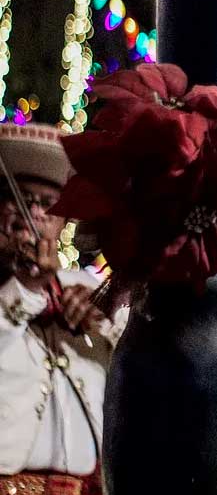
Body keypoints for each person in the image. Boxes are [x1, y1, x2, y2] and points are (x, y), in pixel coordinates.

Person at [0, 123, 124, 495]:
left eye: (48, 204)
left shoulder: (89, 289)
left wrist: (108, 326)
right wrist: (25, 290)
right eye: (21, 198)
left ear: (63, 221)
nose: (34, 213)